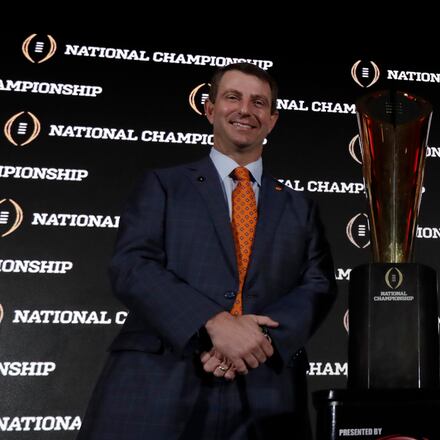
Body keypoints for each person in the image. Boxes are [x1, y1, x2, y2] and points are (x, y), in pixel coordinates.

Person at [78, 63, 337, 439]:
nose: (245, 110)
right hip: (161, 376)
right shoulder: (163, 185)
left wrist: (259, 341)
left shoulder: (300, 205)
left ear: (273, 119)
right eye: (233, 97)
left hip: (265, 385)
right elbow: (132, 266)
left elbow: (319, 284)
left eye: (259, 102)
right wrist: (213, 323)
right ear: (210, 109)